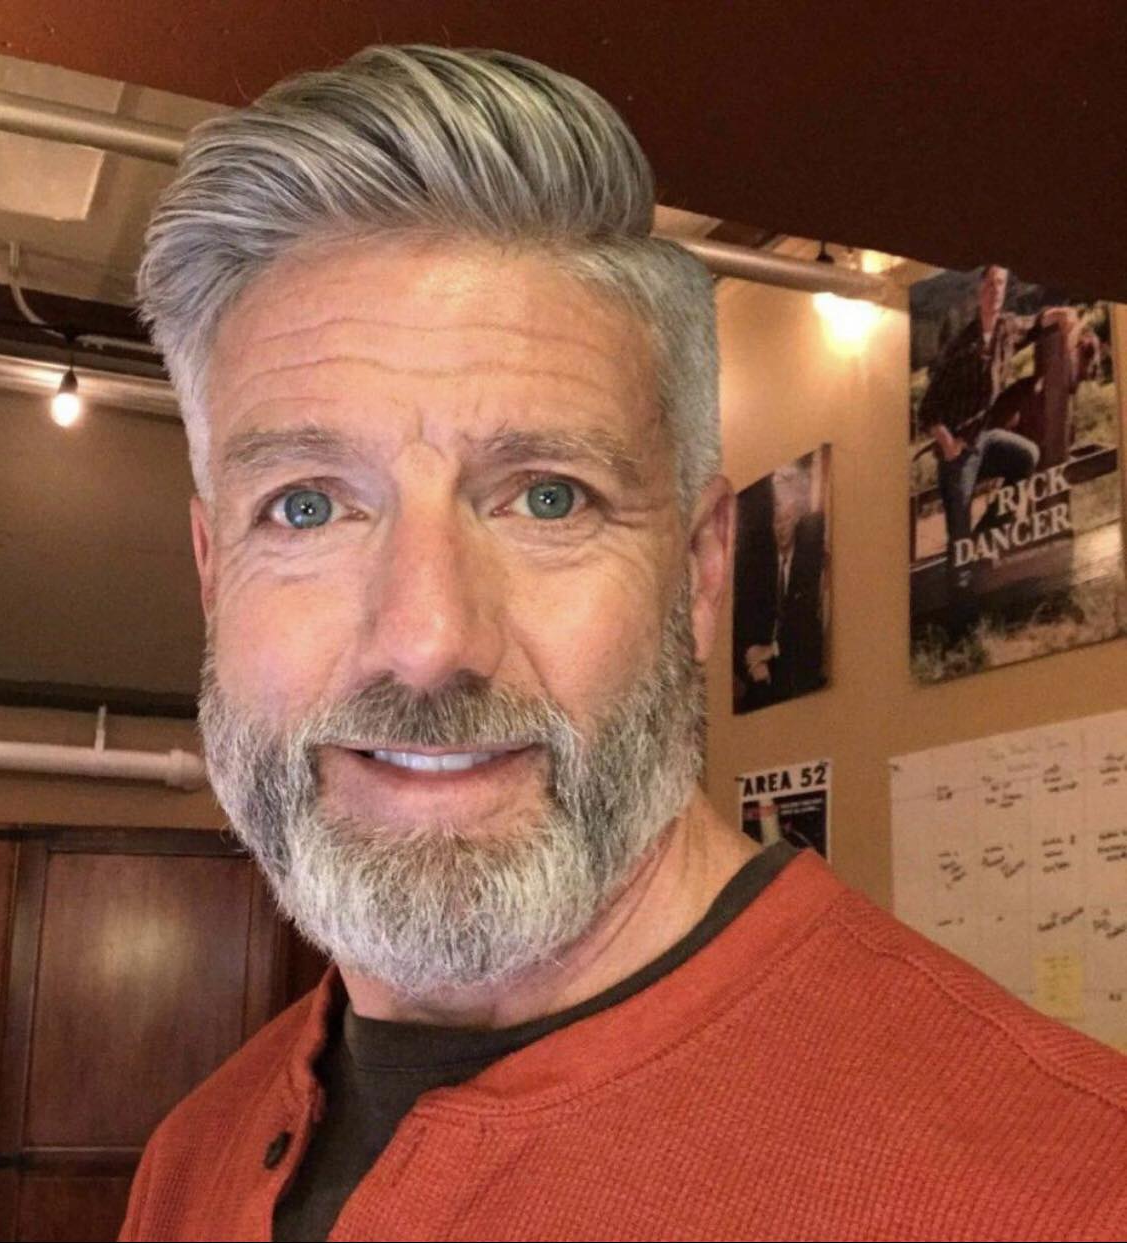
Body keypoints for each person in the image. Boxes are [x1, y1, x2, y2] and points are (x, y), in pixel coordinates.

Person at [122, 45, 1127, 1242]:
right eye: (304, 506)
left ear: (700, 567)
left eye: (547, 497)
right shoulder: (190, 1157)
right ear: (212, 573)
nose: (428, 639)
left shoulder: (1069, 1192)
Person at [917, 265, 1045, 629]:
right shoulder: (962, 346)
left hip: (984, 440)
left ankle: (985, 535)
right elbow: (927, 408)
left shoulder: (1006, 329)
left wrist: (1059, 317)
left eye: (1001, 284)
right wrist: (947, 442)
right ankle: (962, 626)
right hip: (957, 452)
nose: (995, 290)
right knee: (958, 542)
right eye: (989, 284)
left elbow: (1034, 324)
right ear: (979, 291)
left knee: (1027, 457)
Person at [734, 461, 827, 711]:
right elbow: (742, 623)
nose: (781, 528)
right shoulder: (759, 566)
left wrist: (772, 650)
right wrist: (752, 659)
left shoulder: (809, 559)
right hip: (762, 676)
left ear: (798, 519)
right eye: (776, 521)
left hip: (797, 670)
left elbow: (806, 622)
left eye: (787, 519)